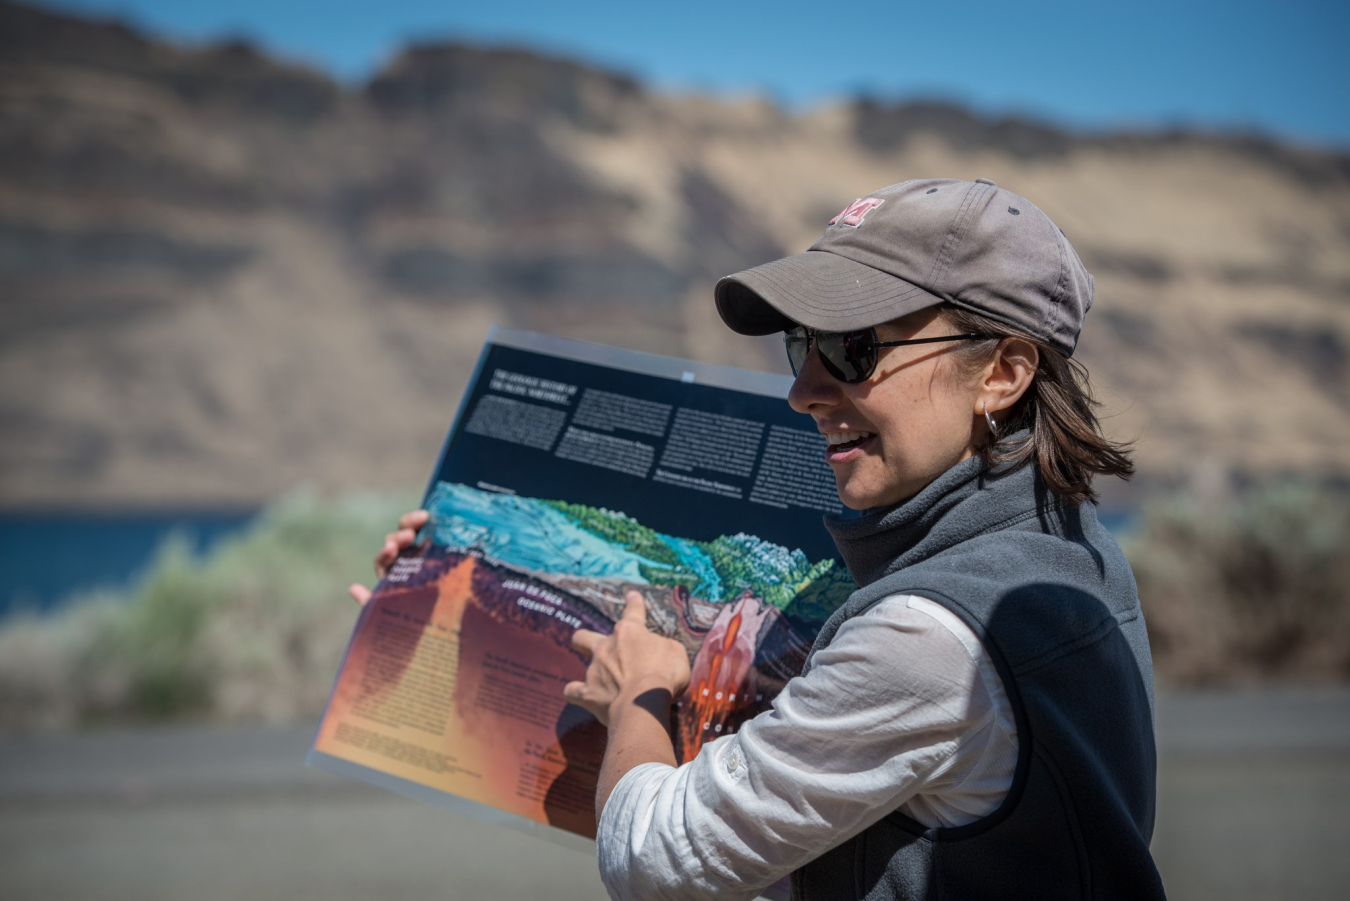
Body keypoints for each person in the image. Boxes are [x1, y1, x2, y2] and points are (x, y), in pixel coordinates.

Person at [356, 177, 1166, 900]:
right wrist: (448, 585)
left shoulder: (932, 631)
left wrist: (638, 697)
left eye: (854, 348)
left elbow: (657, 862)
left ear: (1003, 371)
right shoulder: (1067, 544)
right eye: (800, 345)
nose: (801, 391)